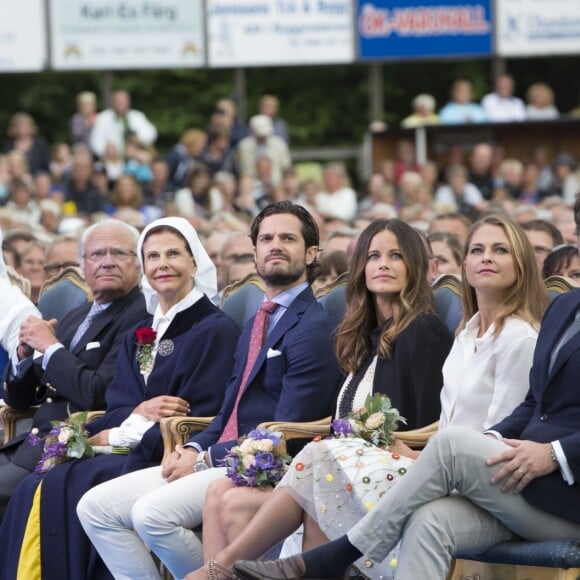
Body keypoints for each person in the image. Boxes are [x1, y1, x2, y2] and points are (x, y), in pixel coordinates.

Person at [214, 214, 548, 580]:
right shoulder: (465, 334)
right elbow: (448, 423)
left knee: (320, 463)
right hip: (425, 462)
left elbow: (498, 439)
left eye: (500, 250)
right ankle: (234, 569)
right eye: (478, 249)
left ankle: (224, 569)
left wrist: (415, 451)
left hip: (470, 478)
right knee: (263, 483)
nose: (486, 257)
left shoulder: (512, 338)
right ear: (465, 264)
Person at [77, 201, 342, 579]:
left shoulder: (313, 327)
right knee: (95, 507)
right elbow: (229, 409)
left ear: (312, 252)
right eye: (266, 238)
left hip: (263, 464)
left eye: (287, 238)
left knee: (151, 515)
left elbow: (288, 426)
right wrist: (193, 446)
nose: (275, 245)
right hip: (219, 452)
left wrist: (205, 458)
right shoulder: (256, 321)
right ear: (255, 253)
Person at [0, 217, 241, 580]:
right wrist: (121, 423)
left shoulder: (212, 328)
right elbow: (121, 401)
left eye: (173, 254)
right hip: (113, 441)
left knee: (55, 484)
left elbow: (195, 411)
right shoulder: (143, 332)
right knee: (48, 482)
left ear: (195, 261)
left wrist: (110, 434)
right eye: (154, 256)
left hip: (164, 450)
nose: (162, 264)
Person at [0, 220, 147, 521]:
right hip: (30, 444)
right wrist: (25, 356)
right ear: (83, 266)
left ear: (139, 264)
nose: (106, 262)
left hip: (71, 452)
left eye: (118, 253)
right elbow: (19, 400)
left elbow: (98, 393)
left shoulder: (142, 317)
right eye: (96, 255)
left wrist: (52, 348)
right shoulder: (76, 316)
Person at [90, 90, 158, 160]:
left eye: (123, 100)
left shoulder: (137, 116)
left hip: (136, 158)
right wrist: (111, 153)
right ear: (112, 102)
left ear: (129, 101)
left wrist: (137, 140)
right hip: (113, 160)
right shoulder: (103, 118)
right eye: (117, 100)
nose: (120, 103)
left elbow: (151, 133)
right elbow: (95, 143)